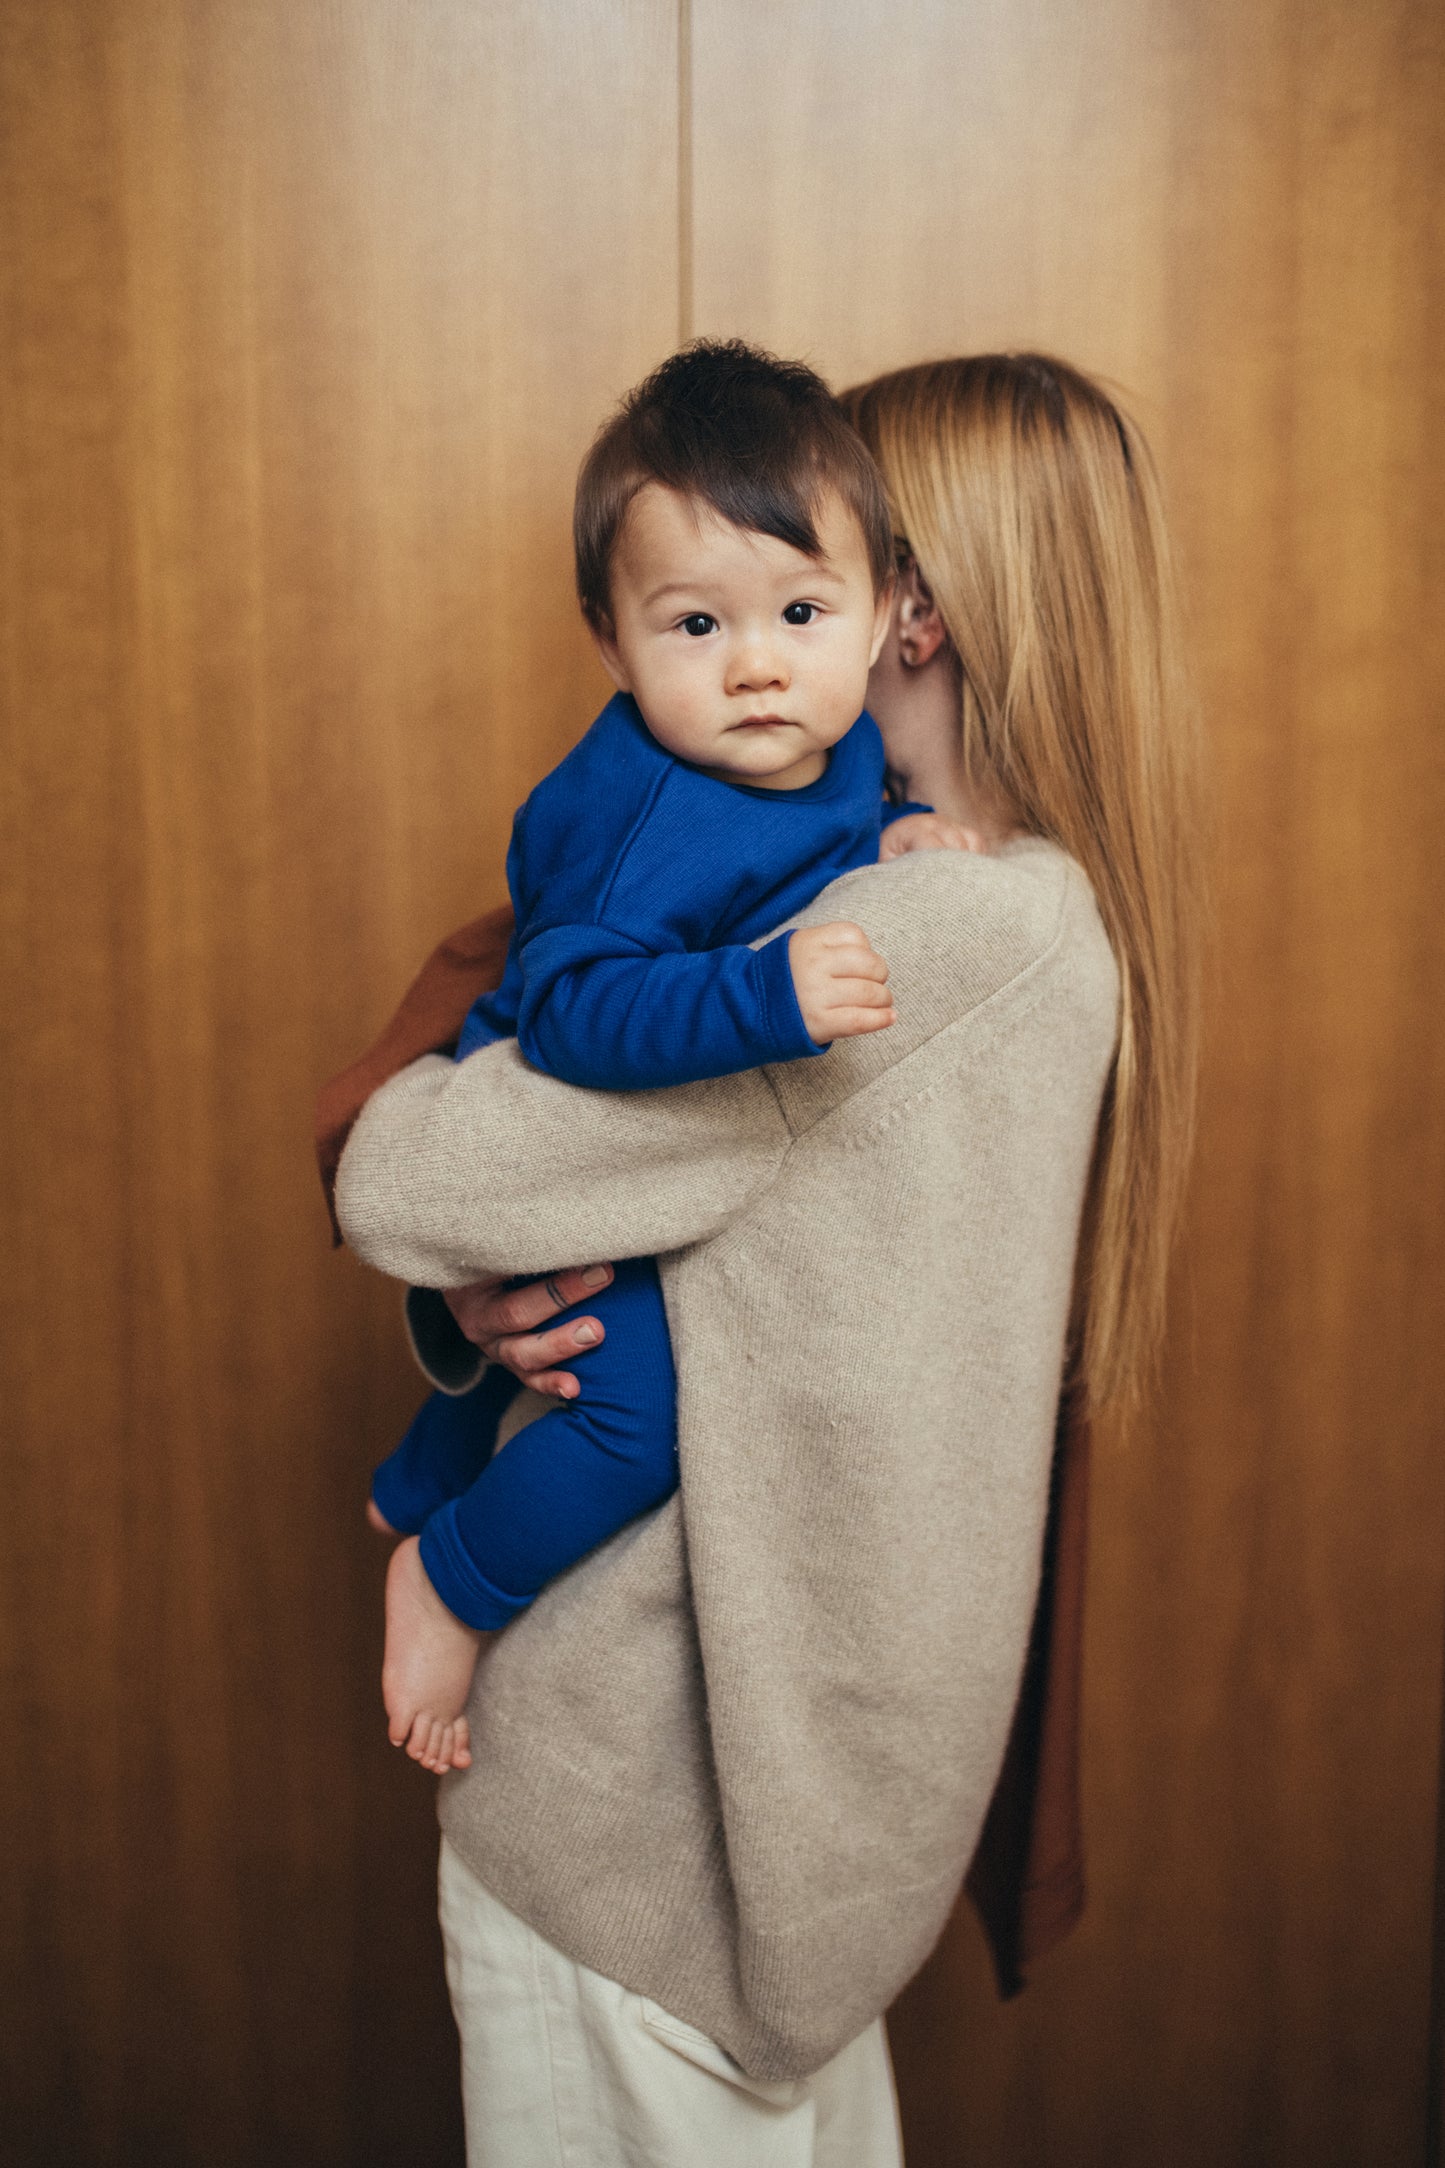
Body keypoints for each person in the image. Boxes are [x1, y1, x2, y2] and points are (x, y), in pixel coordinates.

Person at [325, 351, 1200, 2166]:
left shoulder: (922, 936)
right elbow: (660, 1213)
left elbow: (411, 1171)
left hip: (646, 1831)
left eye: (817, 571)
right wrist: (474, 1304)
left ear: (910, 611)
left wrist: (451, 1248)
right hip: (781, 1843)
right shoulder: (1004, 903)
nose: (757, 641)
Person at [365, 342, 970, 1777]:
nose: (757, 665)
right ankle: (445, 1578)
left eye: (800, 612)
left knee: (546, 1368)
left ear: (888, 613)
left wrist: (887, 839)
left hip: (648, 1117)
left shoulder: (816, 751)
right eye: (694, 627)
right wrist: (763, 995)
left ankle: (417, 1478)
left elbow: (806, 851)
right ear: (611, 642)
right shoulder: (638, 809)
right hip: (561, 1113)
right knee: (634, 1426)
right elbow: (575, 1015)